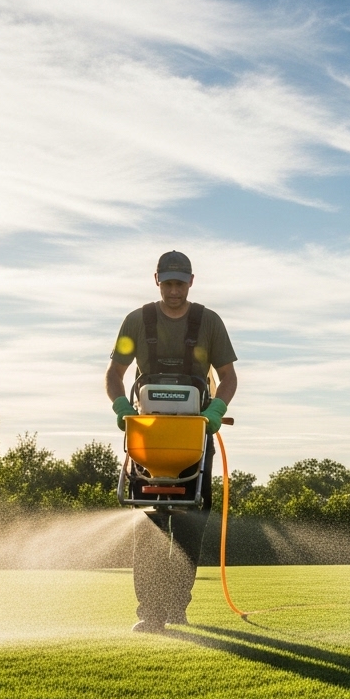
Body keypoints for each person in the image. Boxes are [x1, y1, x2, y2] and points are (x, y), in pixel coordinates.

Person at [105, 250, 238, 633]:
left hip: (196, 436)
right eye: (168, 283)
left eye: (180, 283)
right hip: (148, 438)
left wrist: (214, 412)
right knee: (150, 522)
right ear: (157, 280)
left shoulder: (208, 322)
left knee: (191, 522)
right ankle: (150, 611)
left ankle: (177, 607)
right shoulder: (137, 321)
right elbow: (115, 372)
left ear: (191, 282)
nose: (174, 290)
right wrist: (119, 405)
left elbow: (228, 377)